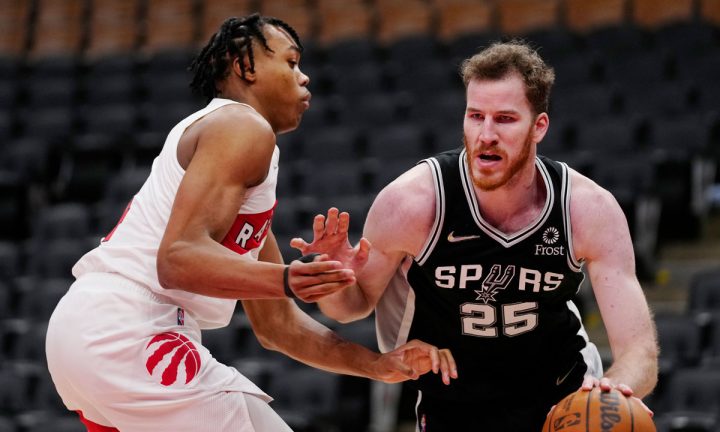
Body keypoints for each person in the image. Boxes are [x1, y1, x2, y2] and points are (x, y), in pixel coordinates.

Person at [46, 14, 452, 432]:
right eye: (291, 62)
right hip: (127, 327)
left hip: (92, 335)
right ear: (244, 66)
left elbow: (278, 327)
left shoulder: (234, 168)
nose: (305, 77)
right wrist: (287, 278)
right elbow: (177, 259)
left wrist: (379, 366)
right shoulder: (242, 125)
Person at [291, 40, 659, 431]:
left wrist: (616, 391)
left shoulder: (586, 209)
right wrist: (332, 277)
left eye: (504, 119)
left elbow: (639, 351)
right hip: (453, 400)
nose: (485, 134)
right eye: (475, 116)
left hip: (560, 396)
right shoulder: (413, 202)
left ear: (539, 127)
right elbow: (352, 307)